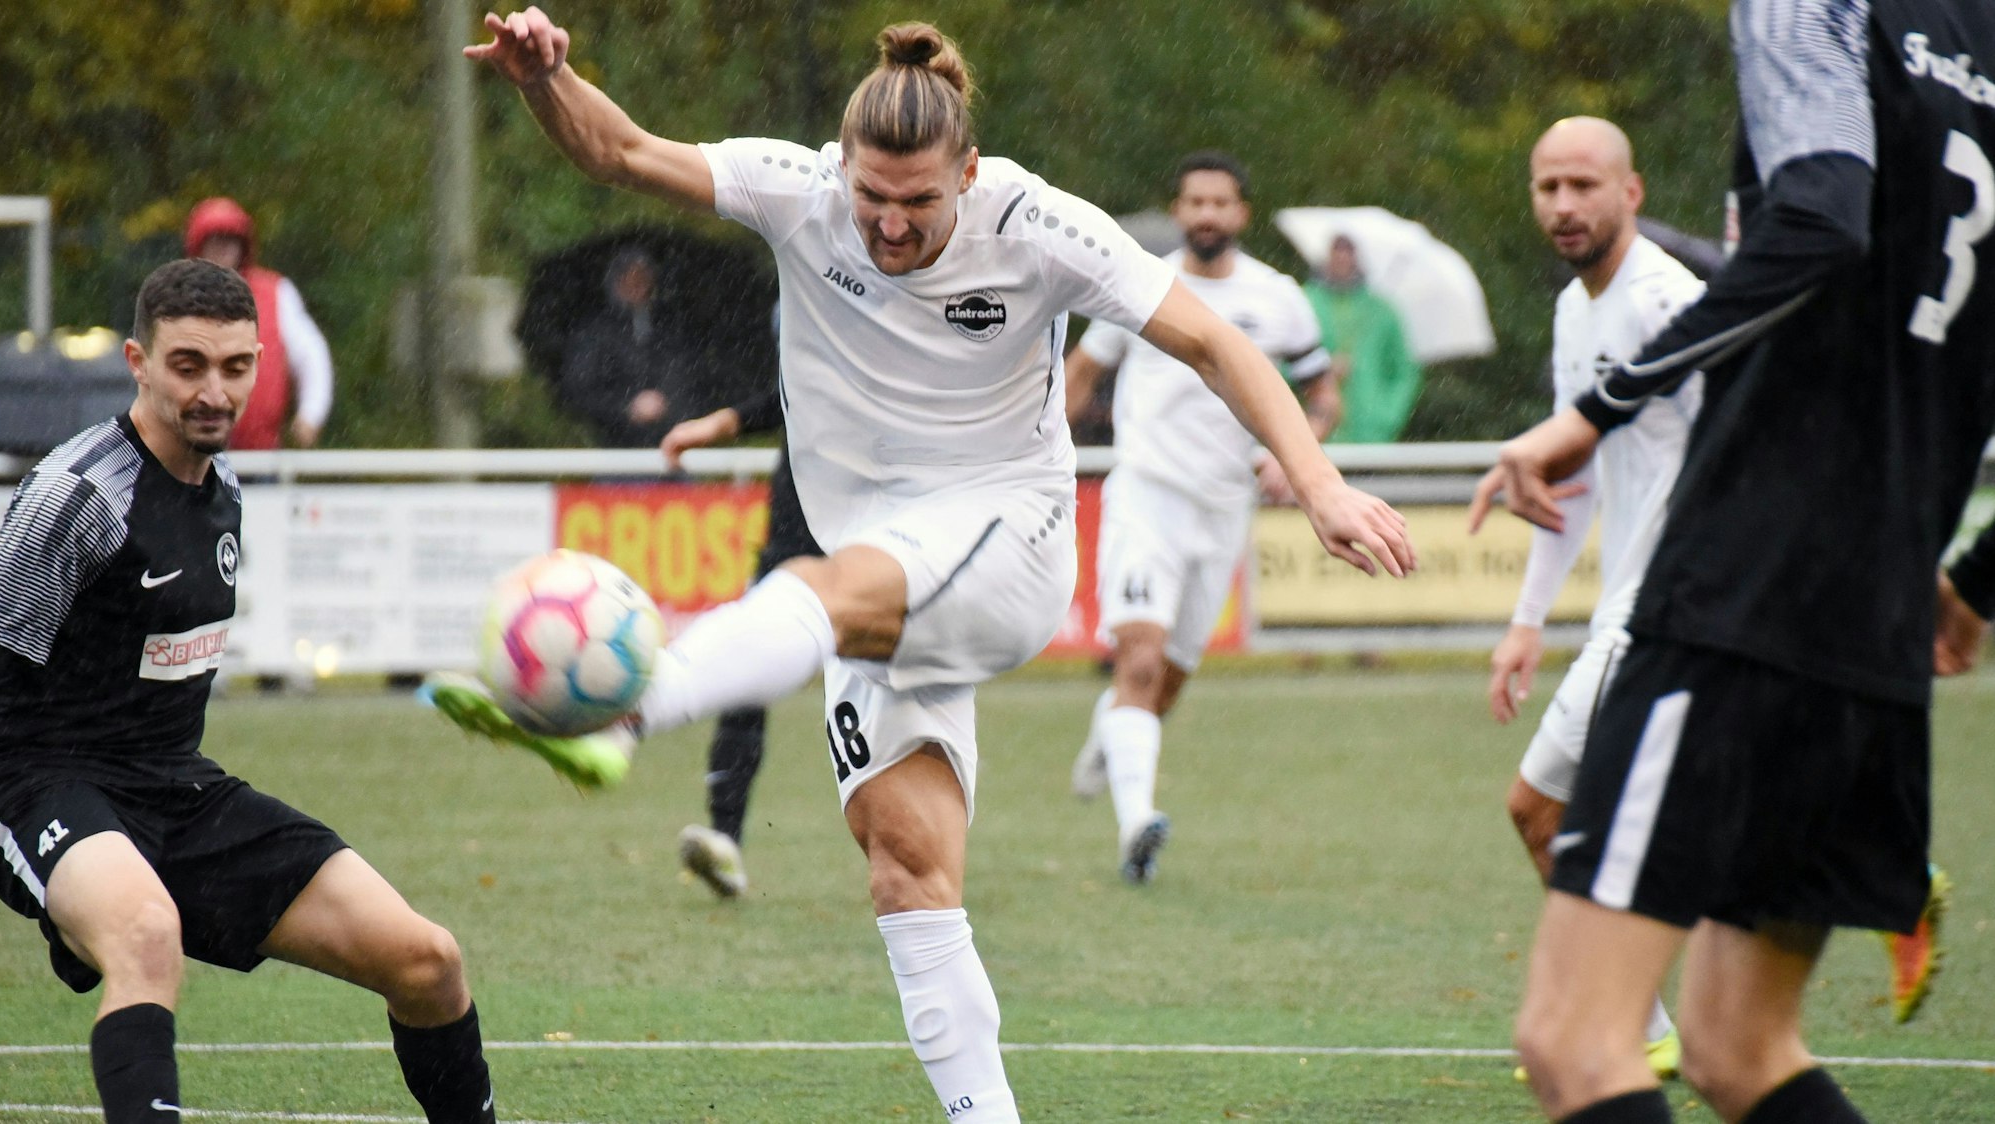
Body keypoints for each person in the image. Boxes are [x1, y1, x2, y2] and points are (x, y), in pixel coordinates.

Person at [430, 10, 1413, 1121]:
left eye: (920, 202)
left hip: (1006, 538)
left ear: (970, 173)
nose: (891, 225)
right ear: (843, 168)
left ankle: (626, 711)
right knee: (906, 864)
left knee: (815, 589)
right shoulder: (797, 189)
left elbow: (1216, 341)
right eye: (873, 198)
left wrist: (1321, 483)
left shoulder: (1038, 223)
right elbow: (620, 152)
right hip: (883, 566)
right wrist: (542, 80)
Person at [1480, 1, 1994, 1120]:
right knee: (1737, 1045)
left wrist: (1596, 411)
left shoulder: (1810, 6)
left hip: (1746, 587)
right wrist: (1976, 575)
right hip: (1882, 601)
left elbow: (1821, 215)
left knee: (1574, 1042)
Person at [0, 260, 497, 1124]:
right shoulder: (75, 498)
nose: (213, 391)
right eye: (188, 365)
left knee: (427, 961)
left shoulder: (223, 488)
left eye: (235, 367)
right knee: (147, 939)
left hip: (178, 788)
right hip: (41, 780)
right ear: (137, 363)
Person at [1479, 116, 1707, 1082]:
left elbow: (1756, 446)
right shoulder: (1579, 310)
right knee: (1551, 811)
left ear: (1632, 193)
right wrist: (1529, 620)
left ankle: (1636, 1025)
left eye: (1583, 186)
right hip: (1629, 607)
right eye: (1548, 188)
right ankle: (1647, 1026)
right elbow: (1567, 479)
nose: (1564, 206)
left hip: (1679, 607)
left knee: (1555, 805)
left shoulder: (1676, 304)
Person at [1062, 150, 1334, 883]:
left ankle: (1108, 738)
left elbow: (1322, 396)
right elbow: (1085, 372)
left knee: (1166, 686)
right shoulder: (1144, 284)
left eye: (1221, 203)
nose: (1207, 214)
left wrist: (1292, 456)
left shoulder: (1279, 299)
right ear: (1179, 211)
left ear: (1241, 213)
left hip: (1224, 510)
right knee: (1141, 663)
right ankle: (1135, 828)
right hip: (1146, 495)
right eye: (1195, 202)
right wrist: (1037, 449)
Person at [662, 379, 822, 899]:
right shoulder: (820, 321)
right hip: (793, 539)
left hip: (872, 537)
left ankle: (918, 857)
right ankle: (725, 838)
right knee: (745, 684)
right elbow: (797, 389)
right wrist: (724, 422)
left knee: (888, 695)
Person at [184, 197, 334, 450]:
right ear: (200, 246)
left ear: (242, 246)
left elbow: (312, 356)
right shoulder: (178, 295)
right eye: (215, 241)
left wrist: (311, 415)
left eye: (229, 241)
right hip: (192, 455)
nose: (223, 250)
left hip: (260, 456)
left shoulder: (275, 293)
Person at [557, 248, 711, 447]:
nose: (637, 285)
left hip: (675, 444)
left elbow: (691, 377)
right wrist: (627, 407)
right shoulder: (595, 332)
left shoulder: (671, 326)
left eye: (643, 277)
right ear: (615, 282)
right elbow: (580, 391)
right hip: (618, 451)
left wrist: (671, 405)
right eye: (629, 278)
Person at [1304, 234, 1421, 443]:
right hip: (1312, 433)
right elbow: (1281, 365)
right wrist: (1320, 371)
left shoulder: (1382, 310)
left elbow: (1404, 373)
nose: (1342, 258)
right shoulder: (1305, 302)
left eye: (1347, 251)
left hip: (1369, 435)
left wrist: (1386, 416)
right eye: (1336, 251)